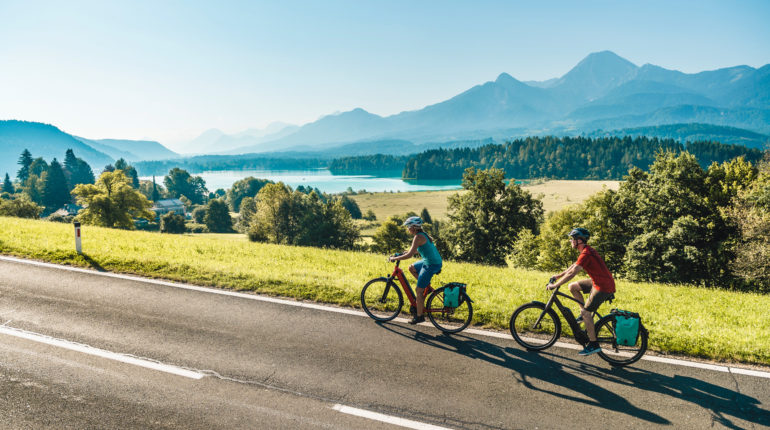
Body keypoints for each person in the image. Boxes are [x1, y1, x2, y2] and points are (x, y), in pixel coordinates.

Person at [547, 227, 615, 356]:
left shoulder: (586, 253)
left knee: (586, 312)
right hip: (598, 281)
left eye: (572, 239)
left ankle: (593, 344)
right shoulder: (585, 251)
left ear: (579, 240)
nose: (570, 241)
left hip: (603, 286)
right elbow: (574, 266)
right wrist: (559, 276)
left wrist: (555, 285)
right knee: (573, 287)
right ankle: (584, 316)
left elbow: (573, 273)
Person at [389, 216, 443, 324]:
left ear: (414, 227)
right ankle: (424, 287)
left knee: (418, 291)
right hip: (432, 261)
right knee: (411, 268)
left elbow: (409, 255)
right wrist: (407, 252)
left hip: (431, 264)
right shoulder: (422, 235)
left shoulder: (418, 237)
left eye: (408, 227)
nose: (408, 229)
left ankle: (419, 316)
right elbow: (418, 249)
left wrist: (395, 258)